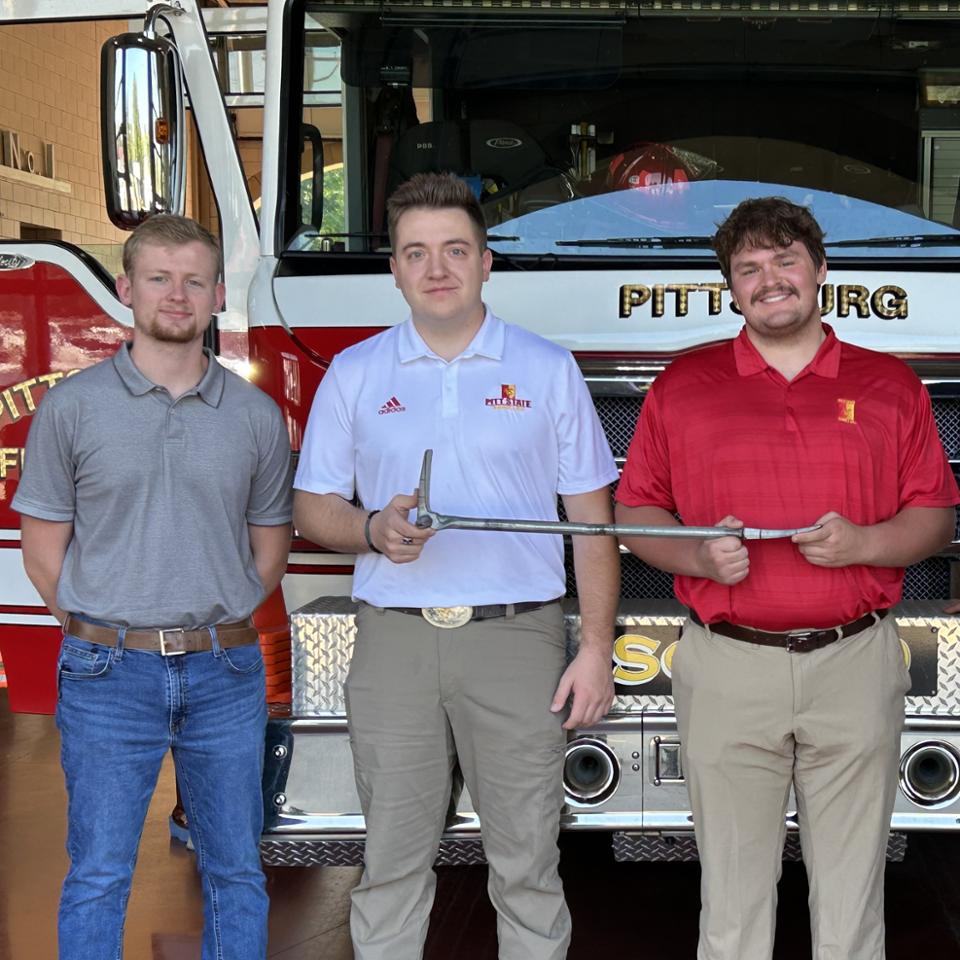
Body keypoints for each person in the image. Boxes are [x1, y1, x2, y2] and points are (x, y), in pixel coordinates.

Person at [614, 197, 959, 960]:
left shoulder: (888, 385)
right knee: (733, 906)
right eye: (749, 270)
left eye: (785, 260)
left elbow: (936, 519)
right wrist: (700, 556)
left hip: (855, 662)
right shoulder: (684, 383)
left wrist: (865, 542)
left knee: (852, 899)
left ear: (821, 270)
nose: (770, 280)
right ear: (731, 291)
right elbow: (636, 510)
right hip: (726, 664)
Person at [293, 171, 620, 960]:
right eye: (416, 253)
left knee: (528, 863)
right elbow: (313, 509)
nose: (436, 268)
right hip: (395, 641)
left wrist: (597, 648)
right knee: (392, 862)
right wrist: (373, 530)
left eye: (454, 250)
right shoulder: (357, 372)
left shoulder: (546, 368)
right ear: (395, 270)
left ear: (485, 263)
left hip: (519, 641)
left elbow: (592, 521)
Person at [13, 215, 293, 960]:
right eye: (160, 278)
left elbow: (271, 546)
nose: (177, 294)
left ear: (217, 294)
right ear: (126, 288)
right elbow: (43, 553)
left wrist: (218, 615)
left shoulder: (255, 417)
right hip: (107, 670)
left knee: (236, 868)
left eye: (194, 280)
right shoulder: (72, 409)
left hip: (224, 671)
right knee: (100, 872)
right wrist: (108, 627)